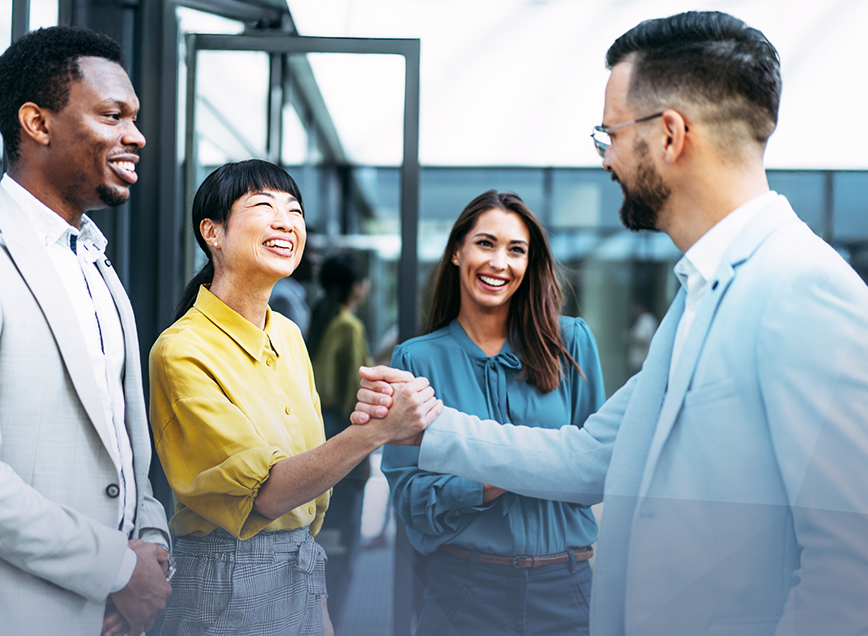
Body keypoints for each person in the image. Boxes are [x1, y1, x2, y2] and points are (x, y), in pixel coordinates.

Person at [353, 11, 868, 636]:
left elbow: (851, 573)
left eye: (608, 134)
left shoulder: (807, 292)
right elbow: (588, 456)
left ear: (669, 135)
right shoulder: (698, 301)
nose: (606, 158)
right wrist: (430, 424)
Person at [0, 26, 172, 636]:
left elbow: (125, 456)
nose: (136, 136)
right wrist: (115, 572)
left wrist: (148, 550)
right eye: (111, 115)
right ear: (37, 124)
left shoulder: (97, 264)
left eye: (135, 117)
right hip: (3, 615)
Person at [148, 160, 438, 636]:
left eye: (295, 211)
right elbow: (265, 494)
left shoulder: (286, 333)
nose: (287, 222)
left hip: (300, 567)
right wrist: (376, 432)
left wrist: (317, 597)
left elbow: (305, 497)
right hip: (225, 585)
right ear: (212, 233)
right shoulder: (181, 350)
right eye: (264, 206)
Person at [382, 190, 605, 636]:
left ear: (529, 265)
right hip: (464, 591)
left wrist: (478, 465)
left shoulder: (570, 342)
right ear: (456, 252)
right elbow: (410, 497)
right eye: (486, 243)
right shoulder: (416, 360)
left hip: (566, 588)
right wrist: (528, 467)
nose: (499, 263)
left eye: (516, 250)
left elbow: (594, 472)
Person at [306, 251, 374, 624]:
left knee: (325, 544)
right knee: (343, 549)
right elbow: (355, 396)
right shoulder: (348, 325)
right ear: (356, 287)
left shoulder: (321, 316)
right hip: (344, 443)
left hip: (320, 437)